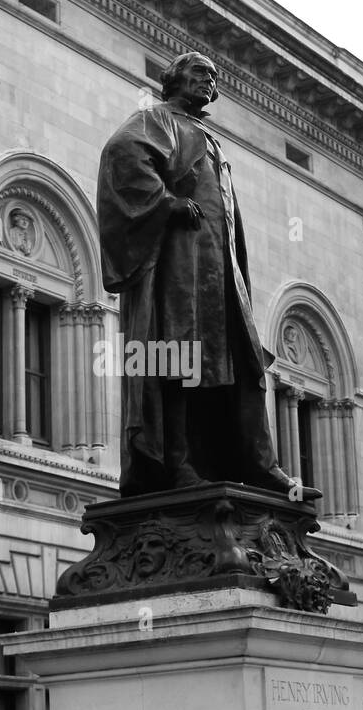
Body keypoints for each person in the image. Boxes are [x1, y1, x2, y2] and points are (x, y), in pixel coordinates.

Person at [96, 51, 320, 501]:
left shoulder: (206, 135)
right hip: (180, 266)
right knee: (177, 357)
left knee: (241, 365)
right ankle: (177, 465)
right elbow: (122, 154)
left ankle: (260, 466)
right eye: (199, 73)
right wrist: (166, 203)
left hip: (220, 274)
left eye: (213, 76)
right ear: (175, 78)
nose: (208, 81)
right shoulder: (156, 120)